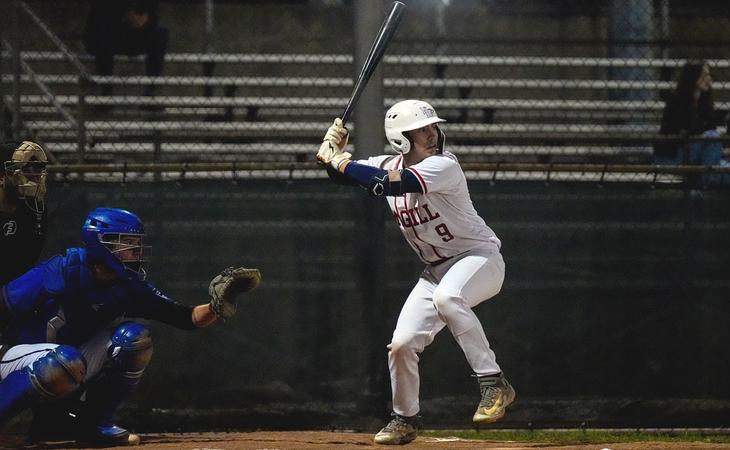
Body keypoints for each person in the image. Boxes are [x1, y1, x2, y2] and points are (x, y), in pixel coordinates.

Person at [316, 100, 515, 445]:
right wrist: (330, 152)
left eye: (432, 127)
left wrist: (338, 160)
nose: (431, 134)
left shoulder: (443, 166)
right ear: (400, 140)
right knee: (402, 345)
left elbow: (386, 183)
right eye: (421, 130)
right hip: (437, 270)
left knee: (448, 298)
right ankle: (405, 418)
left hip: (478, 258)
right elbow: (348, 176)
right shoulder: (386, 163)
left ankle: (493, 382)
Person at [0, 207, 261, 446]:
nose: (136, 251)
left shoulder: (127, 284)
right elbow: (4, 304)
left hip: (69, 362)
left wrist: (218, 306)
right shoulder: (62, 270)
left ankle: (93, 426)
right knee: (63, 361)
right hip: (15, 359)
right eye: (126, 243)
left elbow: (186, 318)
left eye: (136, 243)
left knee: (133, 340)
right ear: (100, 243)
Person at [654, 61, 730, 184]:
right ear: (692, 77)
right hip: (673, 156)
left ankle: (706, 184)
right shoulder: (676, 102)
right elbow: (682, 135)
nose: (709, 79)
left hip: (699, 156)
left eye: (709, 75)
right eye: (704, 75)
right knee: (713, 136)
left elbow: (706, 130)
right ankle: (708, 187)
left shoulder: (704, 104)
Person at [83, 0, 169, 96]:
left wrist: (144, 20)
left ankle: (151, 91)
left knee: (161, 32)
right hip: (111, 35)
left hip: (136, 35)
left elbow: (153, 15)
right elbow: (98, 19)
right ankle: (106, 91)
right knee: (103, 34)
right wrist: (126, 17)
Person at [0, 141, 48, 286]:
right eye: (25, 169)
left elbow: (25, 264)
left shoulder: (35, 209)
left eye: (38, 168)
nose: (34, 176)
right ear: (2, 178)